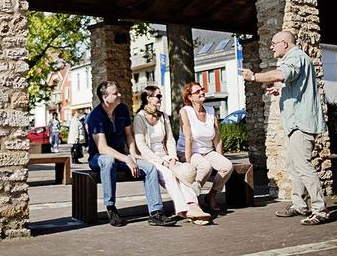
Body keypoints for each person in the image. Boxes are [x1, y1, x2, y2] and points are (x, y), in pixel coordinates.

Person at [240, 30, 329, 225]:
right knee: (294, 165)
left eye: (274, 43)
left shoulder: (295, 57)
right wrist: (281, 89)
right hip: (296, 123)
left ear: (285, 44)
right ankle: (299, 205)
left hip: (301, 123)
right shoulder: (298, 58)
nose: (271, 47)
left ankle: (320, 209)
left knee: (303, 166)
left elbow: (282, 74)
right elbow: (295, 84)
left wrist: (254, 77)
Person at [86, 80, 176, 227]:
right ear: (104, 97)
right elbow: (102, 148)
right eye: (115, 93)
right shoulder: (96, 116)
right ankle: (111, 208)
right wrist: (127, 159)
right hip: (98, 158)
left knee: (150, 168)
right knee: (108, 160)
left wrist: (133, 153)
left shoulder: (122, 109)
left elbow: (128, 135)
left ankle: (156, 213)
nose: (120, 95)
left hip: (122, 156)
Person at [133, 86, 211, 224]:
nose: (160, 99)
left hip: (166, 156)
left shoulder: (163, 116)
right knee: (169, 175)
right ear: (148, 98)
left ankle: (194, 206)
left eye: (160, 96)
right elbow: (142, 146)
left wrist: (173, 157)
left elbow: (170, 139)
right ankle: (184, 211)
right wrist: (161, 162)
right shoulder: (139, 118)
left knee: (184, 174)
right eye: (157, 96)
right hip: (150, 159)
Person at [177, 82, 233, 212]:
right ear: (190, 97)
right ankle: (193, 200)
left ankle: (211, 196)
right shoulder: (185, 111)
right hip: (190, 151)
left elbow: (217, 138)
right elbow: (189, 139)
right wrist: (188, 161)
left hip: (207, 151)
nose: (202, 92)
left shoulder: (211, 111)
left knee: (227, 166)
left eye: (202, 90)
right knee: (205, 167)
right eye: (197, 92)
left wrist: (219, 157)